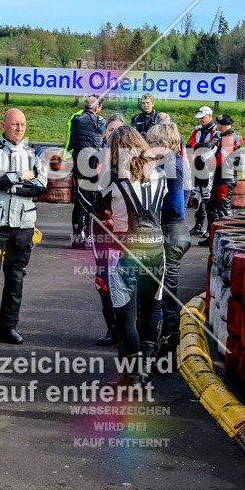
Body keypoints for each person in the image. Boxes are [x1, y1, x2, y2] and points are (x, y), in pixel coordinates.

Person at [93, 125, 166, 386]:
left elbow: (98, 214)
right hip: (157, 250)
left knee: (125, 317)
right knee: (151, 310)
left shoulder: (112, 179)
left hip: (125, 252)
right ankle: (145, 372)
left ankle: (133, 375)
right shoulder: (159, 174)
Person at [0, 108, 47, 346]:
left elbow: (40, 186)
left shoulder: (36, 152)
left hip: (23, 226)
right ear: (3, 125)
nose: (20, 129)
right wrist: (20, 177)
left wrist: (8, 182)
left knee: (15, 280)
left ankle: (9, 328)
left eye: (23, 125)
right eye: (15, 124)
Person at [147, 122, 192, 352]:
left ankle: (169, 344)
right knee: (162, 289)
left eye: (150, 143)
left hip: (171, 232)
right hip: (175, 231)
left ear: (162, 145)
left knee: (166, 292)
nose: (146, 147)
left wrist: (147, 205)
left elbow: (176, 207)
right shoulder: (176, 161)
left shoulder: (171, 163)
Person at [90, 112, 126, 346]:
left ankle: (127, 328)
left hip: (125, 230)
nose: (113, 134)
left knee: (125, 278)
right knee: (102, 279)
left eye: (118, 130)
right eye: (109, 129)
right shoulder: (94, 158)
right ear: (104, 133)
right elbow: (84, 195)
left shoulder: (134, 161)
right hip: (100, 230)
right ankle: (112, 328)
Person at [64, 95, 105, 249]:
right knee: (91, 202)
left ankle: (77, 239)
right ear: (96, 108)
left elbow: (71, 143)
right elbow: (105, 138)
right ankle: (89, 237)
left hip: (79, 167)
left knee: (79, 203)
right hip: (94, 167)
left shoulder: (75, 120)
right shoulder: (100, 120)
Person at [197, 113, 243, 247]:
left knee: (223, 208)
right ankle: (213, 237)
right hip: (224, 176)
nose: (216, 126)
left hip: (225, 178)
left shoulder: (228, 138)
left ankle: (227, 239)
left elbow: (220, 159)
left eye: (217, 124)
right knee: (212, 206)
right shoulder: (233, 136)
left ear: (221, 125)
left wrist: (206, 163)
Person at [187, 105, 219, 236]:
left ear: (210, 116)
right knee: (196, 195)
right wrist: (198, 146)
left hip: (210, 166)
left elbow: (209, 145)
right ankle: (198, 226)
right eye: (199, 118)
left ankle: (210, 228)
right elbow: (189, 145)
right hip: (196, 164)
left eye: (203, 117)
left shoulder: (217, 130)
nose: (200, 120)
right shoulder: (196, 129)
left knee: (207, 195)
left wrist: (198, 146)